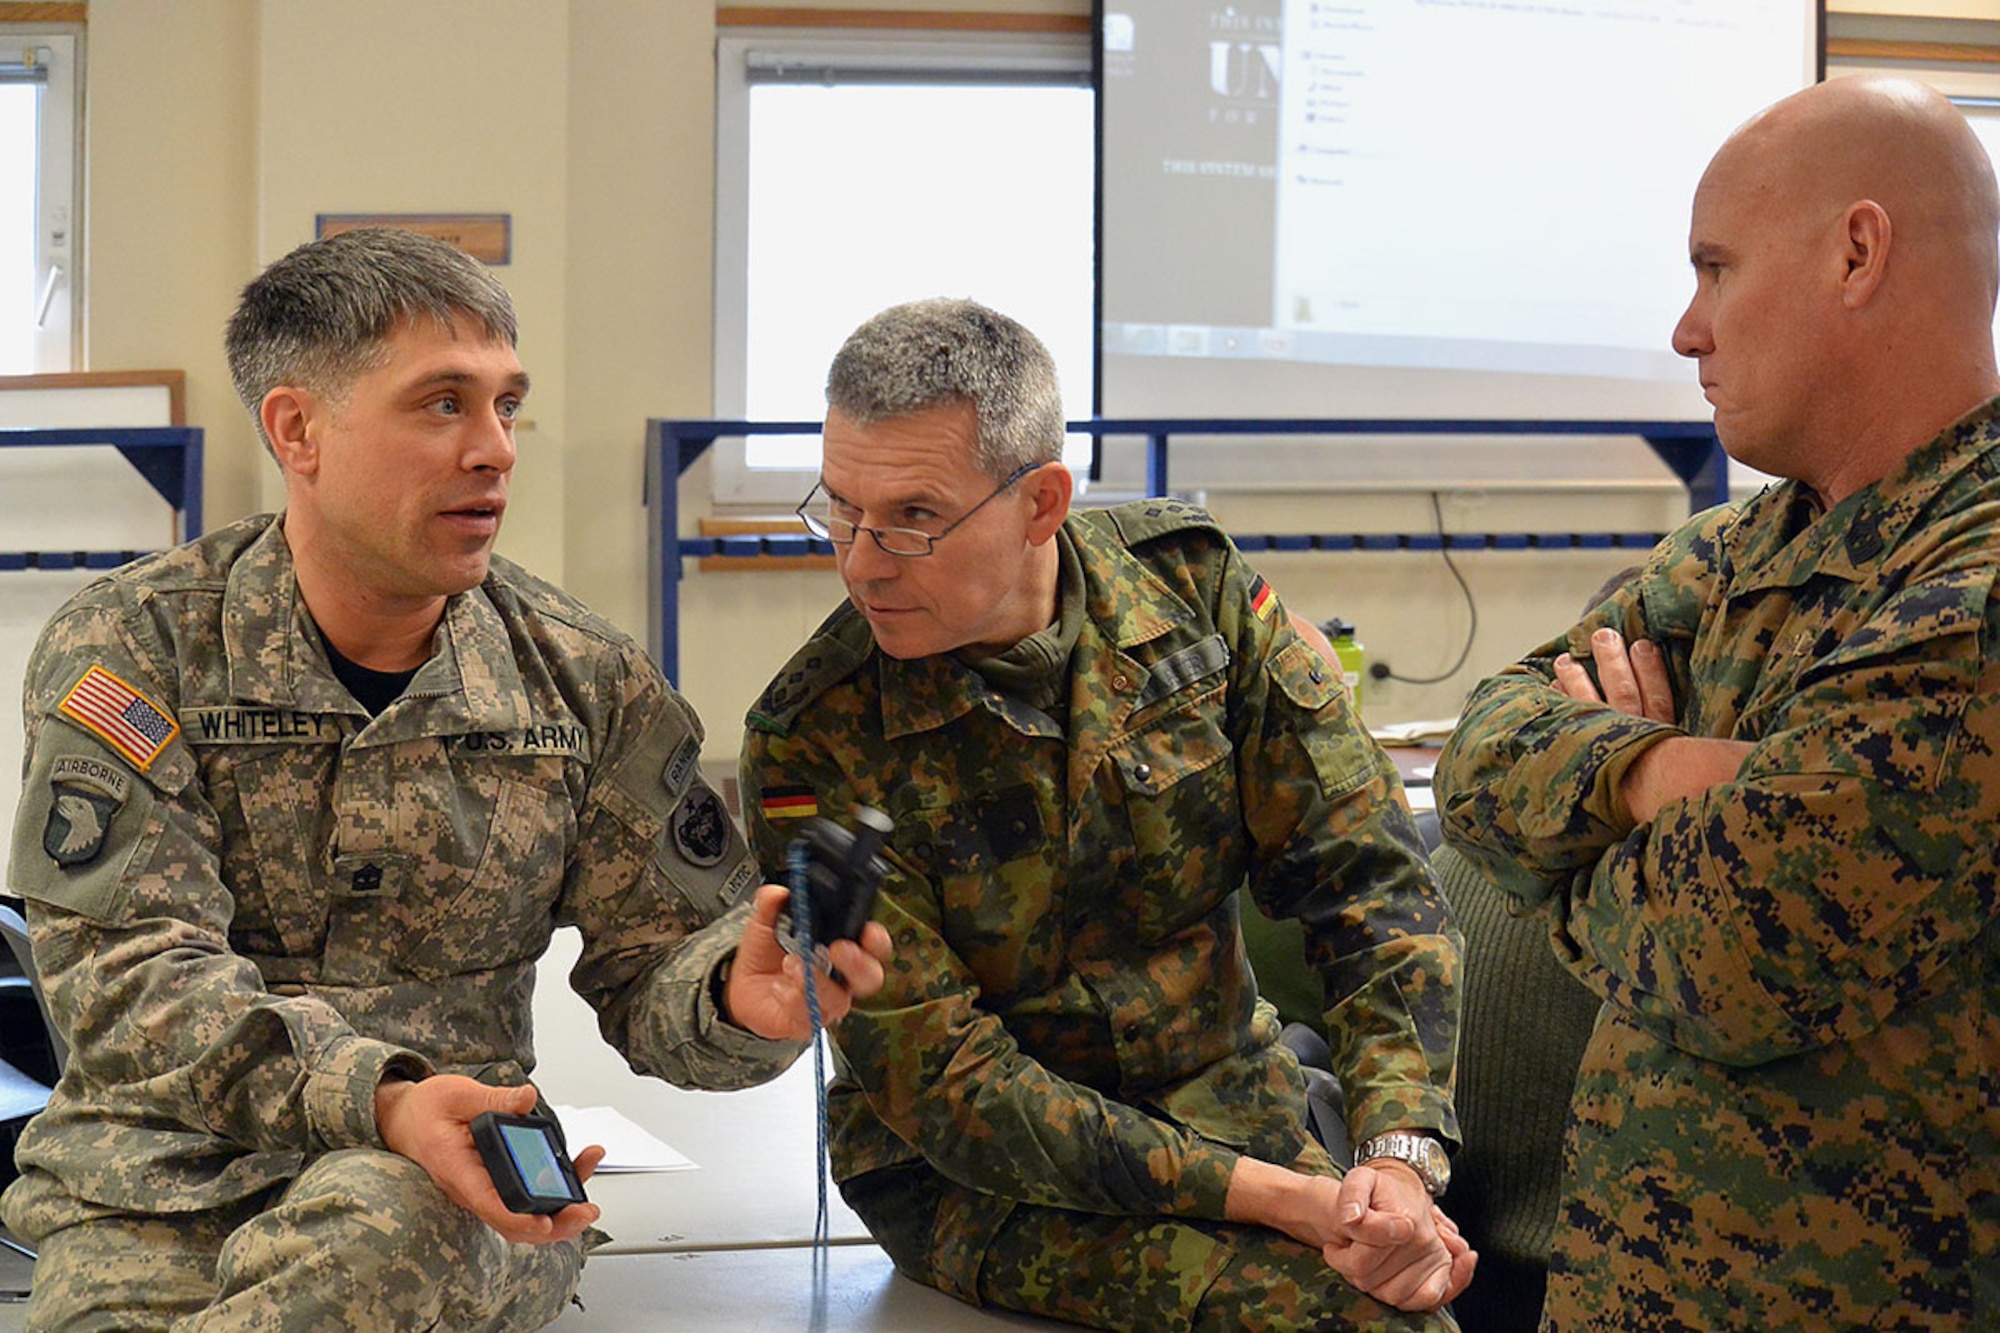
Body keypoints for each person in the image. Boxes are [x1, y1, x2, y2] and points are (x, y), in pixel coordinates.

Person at [1, 226, 890, 1331]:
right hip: (158, 1192)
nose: (495, 449)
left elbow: (663, 958)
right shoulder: (138, 648)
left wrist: (735, 1001)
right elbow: (129, 981)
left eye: (506, 405)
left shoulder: (579, 680)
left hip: (455, 1190)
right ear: (298, 430)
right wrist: (378, 1095)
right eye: (441, 405)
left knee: (383, 1222)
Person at [739, 297, 1474, 1331]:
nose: (860, 561)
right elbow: (954, 1087)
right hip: (980, 1179)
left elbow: (1368, 881)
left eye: (911, 517)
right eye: (840, 509)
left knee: (1405, 1292)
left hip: (1232, 1101)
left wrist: (1395, 1161)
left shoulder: (1195, 598)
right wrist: (1287, 1197)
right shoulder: (815, 736)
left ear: (1040, 503)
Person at [1434, 75, 2000, 1330]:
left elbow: (1725, 953)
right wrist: (1649, 775)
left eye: (1713, 268)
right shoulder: (1747, 543)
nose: (1686, 331)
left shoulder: (1973, 584)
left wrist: (1579, 816)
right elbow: (1480, 746)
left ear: (1856, 252)